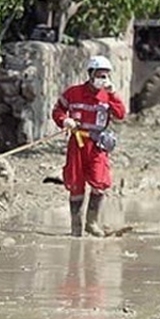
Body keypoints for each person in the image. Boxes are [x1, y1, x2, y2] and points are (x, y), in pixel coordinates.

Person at [51, 55, 127, 237]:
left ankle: (91, 223)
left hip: (97, 145)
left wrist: (113, 95)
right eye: (100, 75)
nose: (103, 79)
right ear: (91, 74)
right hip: (77, 144)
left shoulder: (108, 95)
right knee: (75, 183)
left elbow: (121, 114)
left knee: (99, 183)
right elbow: (58, 110)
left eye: (106, 75)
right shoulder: (73, 93)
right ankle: (76, 228)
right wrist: (64, 120)